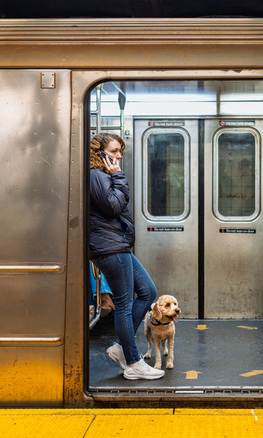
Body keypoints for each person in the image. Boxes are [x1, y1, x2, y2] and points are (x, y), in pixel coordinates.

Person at [88, 133, 164, 380]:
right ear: (99, 153)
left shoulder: (103, 176)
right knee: (123, 303)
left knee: (148, 291)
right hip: (109, 248)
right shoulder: (96, 175)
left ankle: (122, 347)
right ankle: (132, 362)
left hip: (116, 245)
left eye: (120, 151)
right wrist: (119, 177)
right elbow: (112, 206)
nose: (119, 156)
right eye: (113, 151)